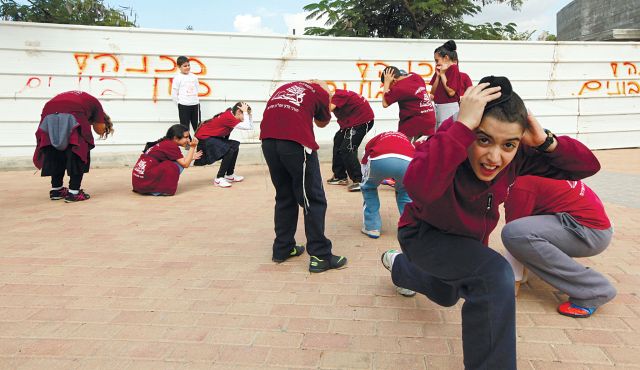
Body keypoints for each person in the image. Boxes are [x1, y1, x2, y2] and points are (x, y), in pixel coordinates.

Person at [380, 76, 601, 369]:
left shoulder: (519, 156)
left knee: (447, 294)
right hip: (423, 235)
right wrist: (460, 129)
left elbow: (587, 166)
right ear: (470, 128)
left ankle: (399, 267)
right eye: (483, 140)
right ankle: (405, 261)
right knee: (493, 276)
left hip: (466, 247)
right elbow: (419, 189)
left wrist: (546, 141)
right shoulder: (445, 143)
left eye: (508, 144)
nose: (494, 158)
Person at [260, 79, 347, 273]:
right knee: (313, 199)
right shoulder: (321, 92)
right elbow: (322, 123)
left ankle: (283, 249)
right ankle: (320, 256)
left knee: (285, 196)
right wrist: (327, 101)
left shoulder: (285, 87)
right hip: (295, 143)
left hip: (268, 142)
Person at [501, 175, 615, 318]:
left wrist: (511, 280)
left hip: (590, 233)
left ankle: (595, 289)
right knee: (520, 231)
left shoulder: (519, 184)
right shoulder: (534, 166)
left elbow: (515, 238)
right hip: (591, 226)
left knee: (514, 233)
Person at [33, 90, 113, 202]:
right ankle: (74, 192)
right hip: (74, 113)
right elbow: (99, 130)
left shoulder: (82, 99)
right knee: (78, 151)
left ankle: (56, 190)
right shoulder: (96, 105)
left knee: (54, 151)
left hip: (48, 111)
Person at [194, 102, 253, 188]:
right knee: (228, 149)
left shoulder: (232, 116)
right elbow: (247, 126)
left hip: (212, 137)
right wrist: (245, 113)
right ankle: (219, 178)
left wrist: (249, 115)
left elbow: (250, 126)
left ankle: (229, 175)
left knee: (234, 146)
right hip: (205, 138)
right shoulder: (229, 117)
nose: (246, 116)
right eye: (244, 114)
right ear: (238, 112)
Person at [326, 89, 375, 192]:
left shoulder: (338, 95)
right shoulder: (337, 96)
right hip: (351, 122)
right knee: (338, 140)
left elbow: (329, 109)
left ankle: (359, 180)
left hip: (362, 121)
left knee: (347, 148)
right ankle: (340, 176)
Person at [132, 124, 202, 196]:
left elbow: (181, 156)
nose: (188, 140)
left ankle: (156, 187)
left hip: (139, 183)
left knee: (175, 162)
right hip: (145, 183)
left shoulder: (166, 142)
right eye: (186, 137)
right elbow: (185, 164)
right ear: (176, 138)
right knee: (175, 165)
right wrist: (192, 147)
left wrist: (190, 157)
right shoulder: (171, 146)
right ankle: (160, 190)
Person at [381, 66, 436, 141]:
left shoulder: (399, 87)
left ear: (394, 80)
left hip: (415, 120)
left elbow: (385, 103)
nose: (389, 89)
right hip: (429, 117)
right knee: (422, 148)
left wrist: (386, 83)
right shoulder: (415, 76)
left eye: (389, 86)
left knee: (402, 144)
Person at [429, 40, 466, 130]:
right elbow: (432, 93)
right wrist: (438, 77)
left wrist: (442, 75)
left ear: (445, 58)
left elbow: (451, 92)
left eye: (437, 60)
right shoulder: (440, 71)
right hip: (438, 107)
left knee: (447, 133)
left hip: (449, 108)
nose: (436, 63)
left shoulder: (453, 69)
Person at [172, 56, 200, 134]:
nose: (187, 67)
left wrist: (195, 100)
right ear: (179, 67)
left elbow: (197, 89)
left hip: (194, 104)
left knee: (197, 126)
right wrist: (179, 103)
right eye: (185, 66)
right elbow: (174, 92)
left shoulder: (194, 77)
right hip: (183, 105)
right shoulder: (177, 78)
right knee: (184, 127)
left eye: (188, 65)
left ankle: (199, 143)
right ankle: (187, 145)